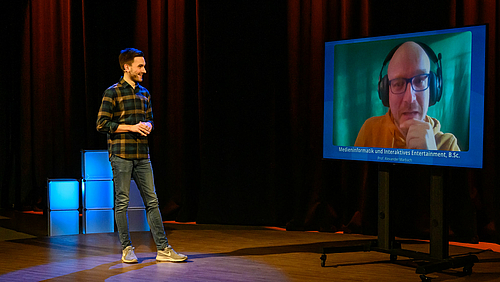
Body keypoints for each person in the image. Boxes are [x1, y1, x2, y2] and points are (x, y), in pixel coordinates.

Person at [96, 48, 187, 263]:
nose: (144, 70)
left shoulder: (144, 93)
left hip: (142, 155)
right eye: (140, 66)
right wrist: (131, 127)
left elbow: (150, 120)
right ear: (126, 67)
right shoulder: (113, 92)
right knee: (122, 202)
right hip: (121, 155)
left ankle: (163, 249)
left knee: (152, 201)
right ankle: (127, 248)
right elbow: (101, 124)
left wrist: (147, 125)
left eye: (144, 66)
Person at [354, 41, 459, 151]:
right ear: (385, 91)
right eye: (398, 84)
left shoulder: (449, 146)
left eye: (419, 81)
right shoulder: (369, 131)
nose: (410, 99)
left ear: (433, 88)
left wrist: (432, 158)